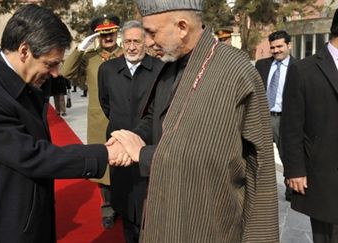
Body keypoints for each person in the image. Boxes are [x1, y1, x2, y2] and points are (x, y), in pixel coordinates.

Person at [0, 5, 126, 242]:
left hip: (19, 216)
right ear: (24, 51)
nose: (55, 73)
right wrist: (104, 154)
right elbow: (32, 155)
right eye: (50, 64)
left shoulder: (16, 82)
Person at [109, 0, 279, 242]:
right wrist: (132, 137)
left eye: (151, 32)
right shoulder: (169, 65)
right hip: (164, 211)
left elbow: (256, 163)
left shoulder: (235, 70)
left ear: (181, 27)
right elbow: (157, 117)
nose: (147, 42)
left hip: (209, 221)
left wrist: (144, 155)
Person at [98, 20, 163, 242]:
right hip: (119, 150)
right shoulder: (107, 70)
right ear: (121, 42)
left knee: (150, 205)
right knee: (125, 204)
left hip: (149, 148)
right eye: (127, 41)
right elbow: (106, 104)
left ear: (146, 42)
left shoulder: (160, 69)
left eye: (137, 41)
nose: (132, 47)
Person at [280, 9, 338, 243]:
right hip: (324, 172)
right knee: (328, 236)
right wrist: (295, 169)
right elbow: (291, 126)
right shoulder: (303, 70)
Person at [61, 13, 124, 229]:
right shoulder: (90, 58)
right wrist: (80, 48)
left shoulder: (127, 53)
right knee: (104, 165)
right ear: (97, 35)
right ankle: (107, 208)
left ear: (117, 32)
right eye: (103, 33)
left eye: (111, 32)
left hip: (125, 117)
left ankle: (126, 204)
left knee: (126, 163)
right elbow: (66, 71)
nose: (108, 36)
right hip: (99, 121)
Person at [255, 30, 296, 201]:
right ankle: (257, 191)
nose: (276, 50)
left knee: (287, 155)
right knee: (257, 156)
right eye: (273, 47)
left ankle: (291, 191)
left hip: (284, 119)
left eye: (280, 46)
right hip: (262, 117)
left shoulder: (299, 67)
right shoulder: (261, 65)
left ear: (289, 45)